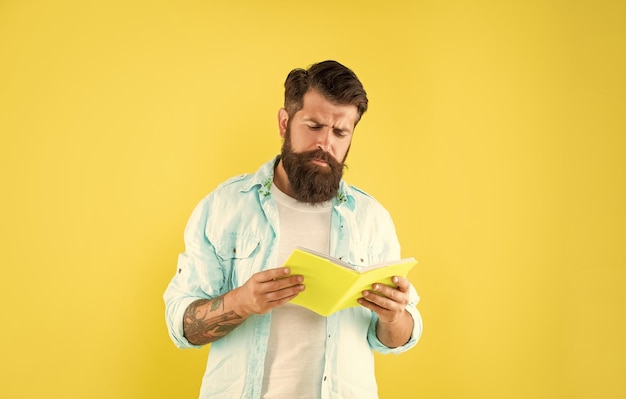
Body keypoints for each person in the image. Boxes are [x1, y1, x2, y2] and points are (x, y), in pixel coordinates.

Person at [163, 60, 422, 399]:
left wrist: (393, 317)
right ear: (285, 123)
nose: (325, 144)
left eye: (340, 133)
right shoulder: (224, 207)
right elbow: (181, 326)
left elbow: (396, 340)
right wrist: (241, 302)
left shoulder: (371, 218)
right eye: (313, 125)